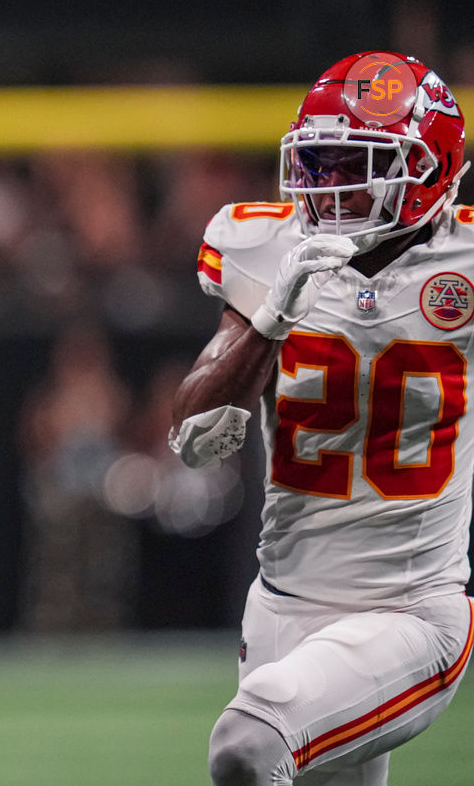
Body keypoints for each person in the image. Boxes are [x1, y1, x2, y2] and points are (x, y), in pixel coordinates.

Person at [170, 50, 474, 785]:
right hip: (279, 607)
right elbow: (194, 440)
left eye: (356, 164)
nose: (329, 187)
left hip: (409, 613)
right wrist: (274, 315)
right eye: (319, 162)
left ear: (431, 168)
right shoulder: (268, 245)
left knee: (247, 745)